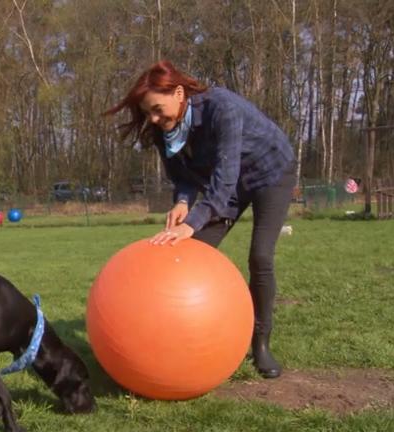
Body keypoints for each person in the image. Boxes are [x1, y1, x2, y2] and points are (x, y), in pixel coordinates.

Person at [104, 60, 297, 379]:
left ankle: (260, 344)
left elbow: (223, 181)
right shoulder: (163, 128)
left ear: (178, 93)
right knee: (191, 250)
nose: (153, 118)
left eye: (156, 109)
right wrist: (182, 201)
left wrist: (191, 222)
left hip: (270, 173)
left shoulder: (223, 109)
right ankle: (182, 337)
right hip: (226, 182)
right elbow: (183, 175)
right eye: (147, 113)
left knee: (260, 256)